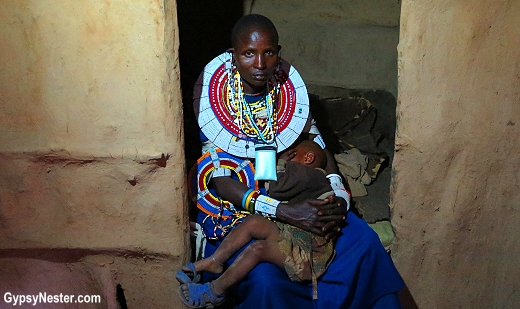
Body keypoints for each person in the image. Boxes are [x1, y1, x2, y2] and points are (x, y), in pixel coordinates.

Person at [187, 14, 405, 309]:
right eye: (249, 54)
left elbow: (322, 152)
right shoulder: (215, 101)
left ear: (279, 52)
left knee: (363, 242)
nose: (261, 64)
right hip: (243, 214)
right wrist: (283, 210)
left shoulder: (290, 95)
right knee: (265, 279)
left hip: (300, 200)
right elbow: (218, 178)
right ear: (233, 55)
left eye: (269, 52)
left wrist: (339, 197)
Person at [178, 140, 336, 307]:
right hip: (295, 234)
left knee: (258, 249)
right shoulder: (314, 179)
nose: (290, 156)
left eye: (293, 153)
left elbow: (274, 188)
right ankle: (214, 262)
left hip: (307, 255)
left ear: (308, 158)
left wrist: (281, 161)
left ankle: (215, 291)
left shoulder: (306, 173)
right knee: (254, 222)